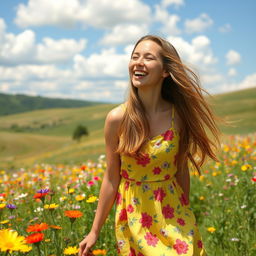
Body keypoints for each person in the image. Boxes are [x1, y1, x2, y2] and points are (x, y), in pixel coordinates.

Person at [79, 35, 220, 256]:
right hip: (135, 217)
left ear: (165, 70)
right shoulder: (117, 119)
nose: (138, 62)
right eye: (135, 57)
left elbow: (181, 169)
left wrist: (185, 211)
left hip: (174, 214)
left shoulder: (179, 117)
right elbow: (111, 177)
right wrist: (94, 231)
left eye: (148, 57)